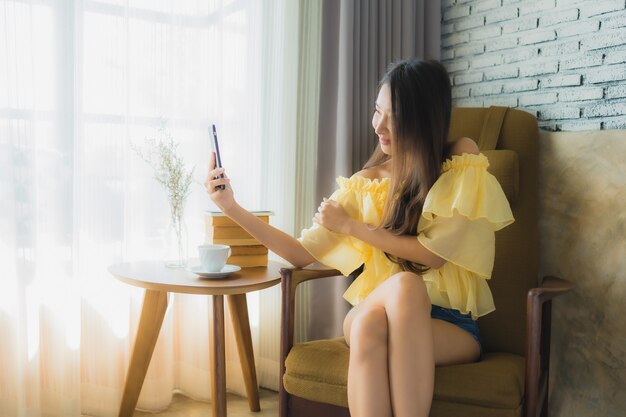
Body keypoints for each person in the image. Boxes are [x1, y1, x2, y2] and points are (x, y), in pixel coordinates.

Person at [205, 59, 514, 417]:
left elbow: (433, 255)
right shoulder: (365, 181)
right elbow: (302, 254)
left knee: (397, 297)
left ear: (424, 116)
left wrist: (352, 227)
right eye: (376, 111)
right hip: (375, 306)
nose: (379, 126)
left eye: (393, 115)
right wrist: (231, 207)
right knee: (394, 295)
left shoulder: (459, 158)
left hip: (449, 325)